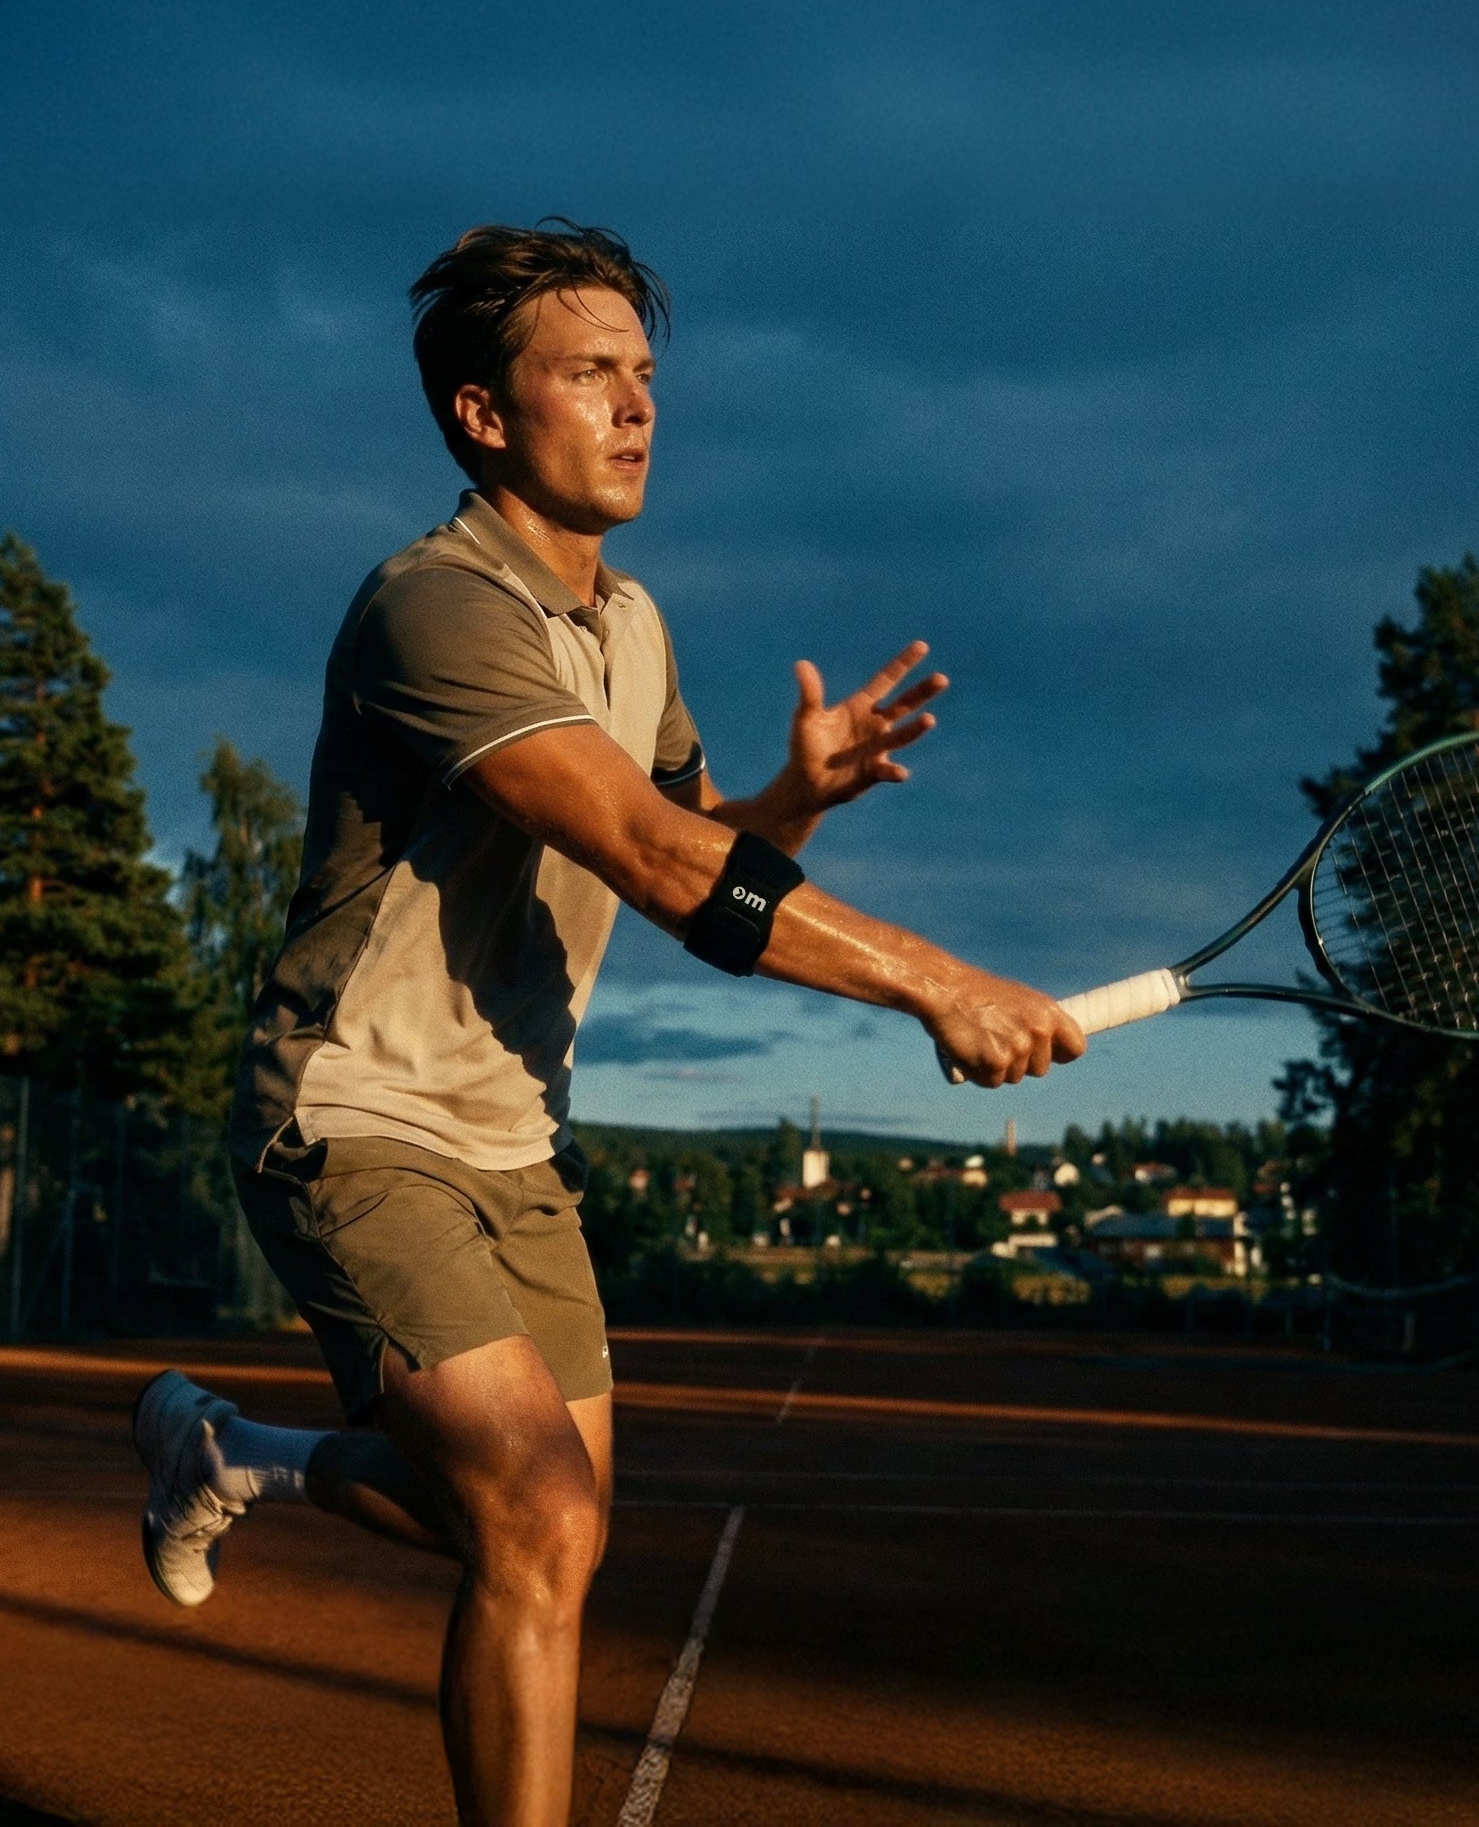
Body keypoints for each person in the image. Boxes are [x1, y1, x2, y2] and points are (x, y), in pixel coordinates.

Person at [133, 220, 1083, 1826]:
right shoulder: (429, 609)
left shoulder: (633, 630)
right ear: (482, 416)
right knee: (538, 1521)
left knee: (523, 1521)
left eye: (646, 376)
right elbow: (654, 858)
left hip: (517, 1135)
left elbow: (707, 849)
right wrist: (938, 978)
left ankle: (233, 1456)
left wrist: (794, 795)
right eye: (591, 374)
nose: (639, 408)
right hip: (356, 1117)